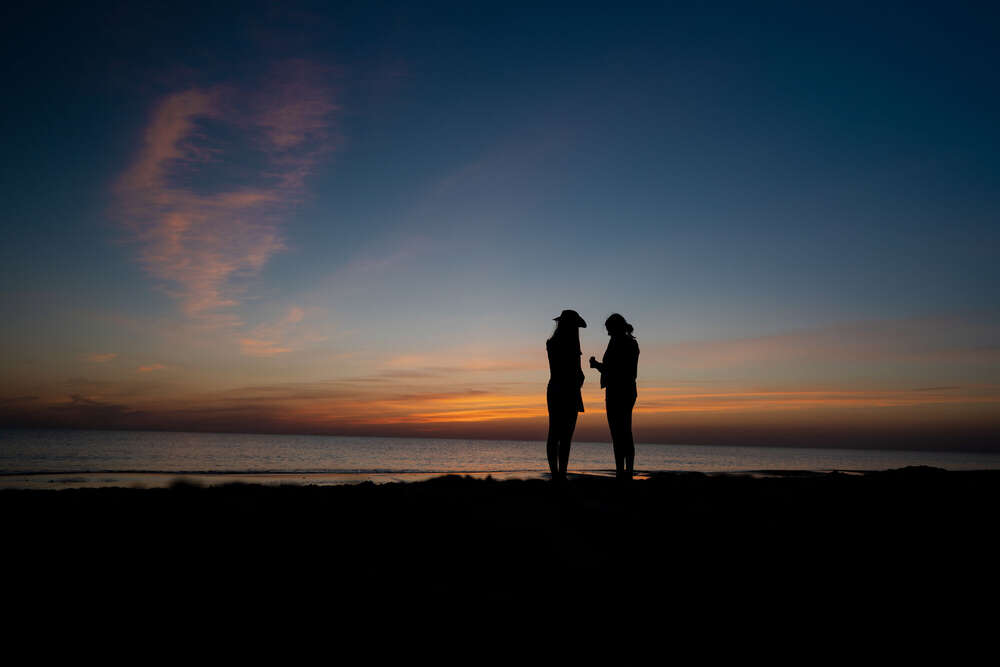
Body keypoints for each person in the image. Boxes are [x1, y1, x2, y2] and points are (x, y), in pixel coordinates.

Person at [589, 314, 639, 480]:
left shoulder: (622, 343)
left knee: (619, 432)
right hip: (625, 390)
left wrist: (597, 365)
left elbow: (616, 370)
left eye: (609, 329)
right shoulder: (629, 343)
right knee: (624, 431)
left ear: (614, 327)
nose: (608, 332)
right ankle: (626, 470)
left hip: (619, 391)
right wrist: (600, 367)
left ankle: (623, 471)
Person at [546, 309, 587, 481]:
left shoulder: (552, 343)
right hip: (568, 390)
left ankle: (556, 473)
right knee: (565, 435)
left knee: (554, 433)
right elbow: (579, 373)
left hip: (555, 388)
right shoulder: (572, 345)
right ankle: (561, 473)